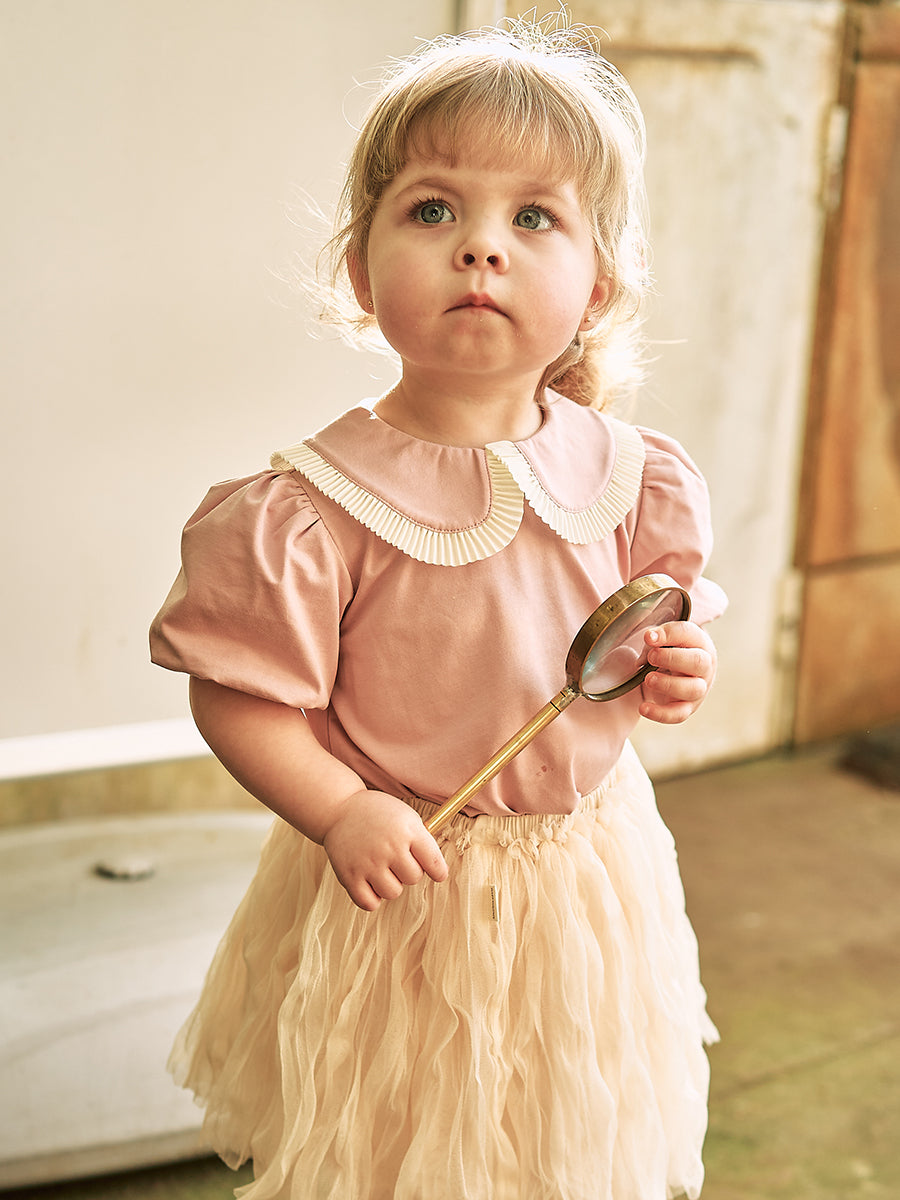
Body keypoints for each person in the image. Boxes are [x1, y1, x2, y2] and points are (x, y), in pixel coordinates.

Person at [150, 17, 726, 1200]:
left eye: (534, 218)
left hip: (583, 880)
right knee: (402, 1144)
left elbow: (649, 633)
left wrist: (677, 667)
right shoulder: (316, 508)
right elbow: (241, 697)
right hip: (407, 886)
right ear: (361, 274)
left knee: (558, 1128)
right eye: (432, 210)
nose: (481, 248)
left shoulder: (631, 477)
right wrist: (340, 809)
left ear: (596, 285)